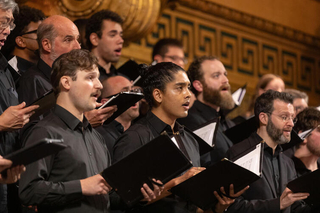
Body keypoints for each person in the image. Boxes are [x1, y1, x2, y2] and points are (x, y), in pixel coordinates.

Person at [19, 49, 161, 213]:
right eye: (90, 78)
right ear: (66, 83)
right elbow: (29, 191)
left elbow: (107, 197)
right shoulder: (45, 132)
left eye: (98, 78)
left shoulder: (96, 137)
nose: (99, 85)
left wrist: (140, 194)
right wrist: (81, 186)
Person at [113, 62, 247, 213]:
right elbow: (117, 200)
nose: (188, 94)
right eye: (179, 88)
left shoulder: (190, 139)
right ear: (158, 95)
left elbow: (192, 205)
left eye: (188, 87)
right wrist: (176, 184)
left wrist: (218, 207)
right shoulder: (135, 137)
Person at [225, 90, 310, 213]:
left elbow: (294, 207)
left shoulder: (287, 162)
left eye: (292, 118)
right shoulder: (239, 153)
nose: (291, 124)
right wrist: (277, 204)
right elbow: (233, 207)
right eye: (284, 117)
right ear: (264, 118)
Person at [178, 56, 235, 164]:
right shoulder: (190, 120)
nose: (225, 80)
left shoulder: (228, 123)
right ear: (199, 85)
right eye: (216, 76)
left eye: (225, 74)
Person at [96, 75, 140, 160]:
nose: (135, 97)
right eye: (126, 92)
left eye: (134, 91)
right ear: (106, 102)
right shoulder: (98, 135)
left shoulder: (141, 131)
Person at [1, 5, 45, 86]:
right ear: (20, 41)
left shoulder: (40, 66)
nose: (45, 37)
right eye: (39, 32)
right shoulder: (12, 70)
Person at [86, 9, 123, 81]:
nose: (121, 40)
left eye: (121, 35)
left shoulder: (123, 80)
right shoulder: (82, 76)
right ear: (95, 39)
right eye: (113, 35)